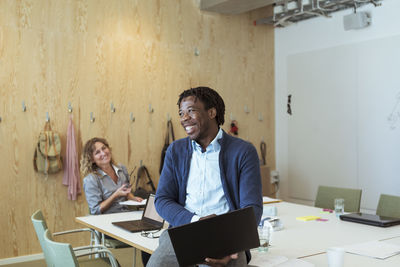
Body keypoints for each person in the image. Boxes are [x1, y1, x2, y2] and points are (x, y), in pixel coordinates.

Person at [147, 87, 263, 267]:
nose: (184, 118)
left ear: (211, 112)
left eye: (191, 111)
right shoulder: (175, 151)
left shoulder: (244, 151)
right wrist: (195, 221)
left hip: (227, 235)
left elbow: (252, 208)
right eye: (181, 113)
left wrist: (232, 243)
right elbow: (162, 200)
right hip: (184, 231)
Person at [81, 137, 150, 265]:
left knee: (149, 236)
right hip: (108, 226)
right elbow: (95, 210)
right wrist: (115, 195)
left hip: (126, 219)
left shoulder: (121, 169)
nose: (103, 153)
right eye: (97, 152)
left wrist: (132, 197)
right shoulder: (91, 179)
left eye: (104, 148)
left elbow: (126, 192)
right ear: (92, 159)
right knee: (144, 236)